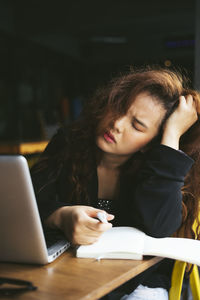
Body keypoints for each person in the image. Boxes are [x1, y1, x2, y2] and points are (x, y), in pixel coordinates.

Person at [31, 66, 200, 300]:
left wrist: (171, 136)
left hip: (139, 284)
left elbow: (159, 226)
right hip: (69, 276)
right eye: (119, 108)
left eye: (137, 125)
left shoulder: (160, 169)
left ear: (151, 144)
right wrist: (60, 215)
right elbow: (23, 206)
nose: (117, 124)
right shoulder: (68, 143)